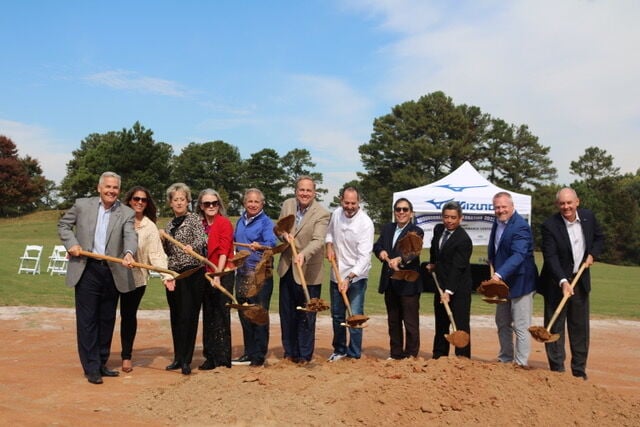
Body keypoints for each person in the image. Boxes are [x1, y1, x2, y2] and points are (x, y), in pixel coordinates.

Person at [58, 171, 137, 384]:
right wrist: (71, 244)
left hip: (112, 270)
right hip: (86, 268)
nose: (111, 191)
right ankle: (91, 366)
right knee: (87, 320)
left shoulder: (126, 213)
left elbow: (130, 235)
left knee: (106, 319)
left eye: (115, 188)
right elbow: (63, 225)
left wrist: (129, 252)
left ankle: (102, 363)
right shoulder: (82, 205)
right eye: (108, 187)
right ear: (99, 188)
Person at [539, 188, 604, 380]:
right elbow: (550, 257)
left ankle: (579, 371)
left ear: (577, 202)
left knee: (579, 328)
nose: (566, 207)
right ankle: (558, 370)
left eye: (569, 203)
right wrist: (563, 281)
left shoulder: (588, 217)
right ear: (557, 205)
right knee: (554, 328)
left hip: (580, 280)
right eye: (562, 203)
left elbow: (599, 238)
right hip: (555, 282)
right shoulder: (549, 225)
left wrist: (593, 254)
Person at [119, 186, 175, 373]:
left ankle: (126, 356)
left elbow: (157, 254)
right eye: (136, 199)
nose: (140, 202)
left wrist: (166, 276)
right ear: (129, 200)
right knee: (105, 316)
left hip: (136, 278)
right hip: (112, 275)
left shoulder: (149, 226)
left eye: (143, 200)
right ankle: (100, 356)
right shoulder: (117, 219)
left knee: (128, 316)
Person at [275, 175, 330, 364]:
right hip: (287, 268)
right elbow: (279, 228)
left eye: (308, 190)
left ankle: (304, 354)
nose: (304, 193)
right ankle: (289, 351)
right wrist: (283, 236)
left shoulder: (322, 213)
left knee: (307, 314)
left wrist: (303, 254)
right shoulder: (288, 205)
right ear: (296, 191)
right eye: (301, 190)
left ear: (314, 192)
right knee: (287, 312)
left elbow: (318, 240)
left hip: (308, 270)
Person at [487, 191, 538, 367]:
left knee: (521, 325)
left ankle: (520, 363)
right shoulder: (497, 222)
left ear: (512, 206)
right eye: (497, 207)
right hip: (503, 283)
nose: (500, 210)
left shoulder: (521, 226)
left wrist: (498, 274)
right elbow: (495, 250)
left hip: (521, 282)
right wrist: (493, 268)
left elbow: (518, 255)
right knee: (502, 322)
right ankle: (505, 358)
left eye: (503, 207)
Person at [325, 186, 374, 362]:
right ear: (341, 200)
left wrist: (348, 278)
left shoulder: (366, 223)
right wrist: (329, 246)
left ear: (358, 202)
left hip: (356, 276)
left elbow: (364, 258)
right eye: (347, 202)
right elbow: (329, 233)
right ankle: (339, 350)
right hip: (336, 273)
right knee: (337, 315)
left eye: (353, 203)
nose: (350, 206)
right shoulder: (336, 214)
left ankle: (354, 353)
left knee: (354, 316)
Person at [162, 183, 207, 375]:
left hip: (192, 273)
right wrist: (162, 241)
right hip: (174, 275)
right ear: (170, 203)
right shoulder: (169, 225)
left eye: (182, 199)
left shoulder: (195, 219)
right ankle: (178, 357)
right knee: (176, 316)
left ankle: (187, 360)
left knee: (189, 316)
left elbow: (202, 239)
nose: (179, 202)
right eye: (175, 199)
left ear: (188, 201)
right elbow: (166, 252)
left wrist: (191, 246)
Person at [373, 197, 424, 360]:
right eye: (398, 209)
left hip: (408, 283)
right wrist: (380, 252)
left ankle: (410, 355)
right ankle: (395, 354)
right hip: (390, 282)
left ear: (411, 213)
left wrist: (400, 259)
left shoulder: (416, 231)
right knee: (393, 322)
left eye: (405, 209)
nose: (401, 212)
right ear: (394, 212)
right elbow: (378, 245)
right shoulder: (388, 228)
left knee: (410, 322)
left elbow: (413, 251)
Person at [233, 188, 278, 367]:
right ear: (245, 203)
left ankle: (259, 356)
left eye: (256, 202)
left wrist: (260, 246)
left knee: (259, 315)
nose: (252, 204)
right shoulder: (240, 221)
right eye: (249, 201)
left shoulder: (266, 222)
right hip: (242, 274)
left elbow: (272, 243)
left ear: (262, 204)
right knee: (244, 314)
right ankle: (248, 352)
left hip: (260, 276)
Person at [426, 201, 473, 358]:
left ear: (460, 218)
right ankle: (439, 357)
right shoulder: (439, 229)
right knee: (441, 324)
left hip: (458, 289)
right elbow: (435, 249)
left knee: (460, 326)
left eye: (453, 217)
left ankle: (463, 359)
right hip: (440, 285)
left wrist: (449, 291)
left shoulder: (464, 240)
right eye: (446, 217)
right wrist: (432, 263)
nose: (449, 221)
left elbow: (457, 269)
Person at [196, 189, 234, 370]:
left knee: (221, 314)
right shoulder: (199, 224)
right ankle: (209, 357)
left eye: (214, 203)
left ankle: (223, 357)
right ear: (201, 206)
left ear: (219, 205)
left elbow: (224, 251)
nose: (211, 207)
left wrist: (217, 275)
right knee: (208, 315)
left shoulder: (224, 223)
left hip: (222, 273)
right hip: (205, 274)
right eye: (207, 204)